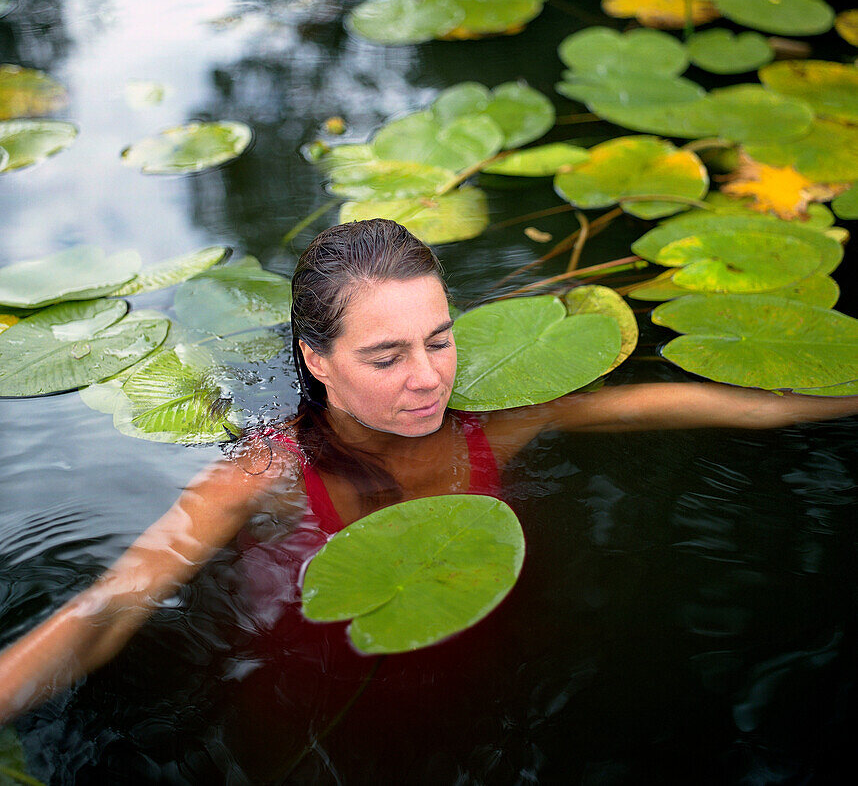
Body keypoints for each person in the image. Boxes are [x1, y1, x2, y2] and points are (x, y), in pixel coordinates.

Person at [1, 217, 856, 742]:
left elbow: (694, 407)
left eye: (439, 340)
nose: (428, 378)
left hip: (495, 693)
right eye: (386, 354)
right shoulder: (263, 469)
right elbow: (105, 610)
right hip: (316, 715)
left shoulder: (500, 424)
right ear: (316, 361)